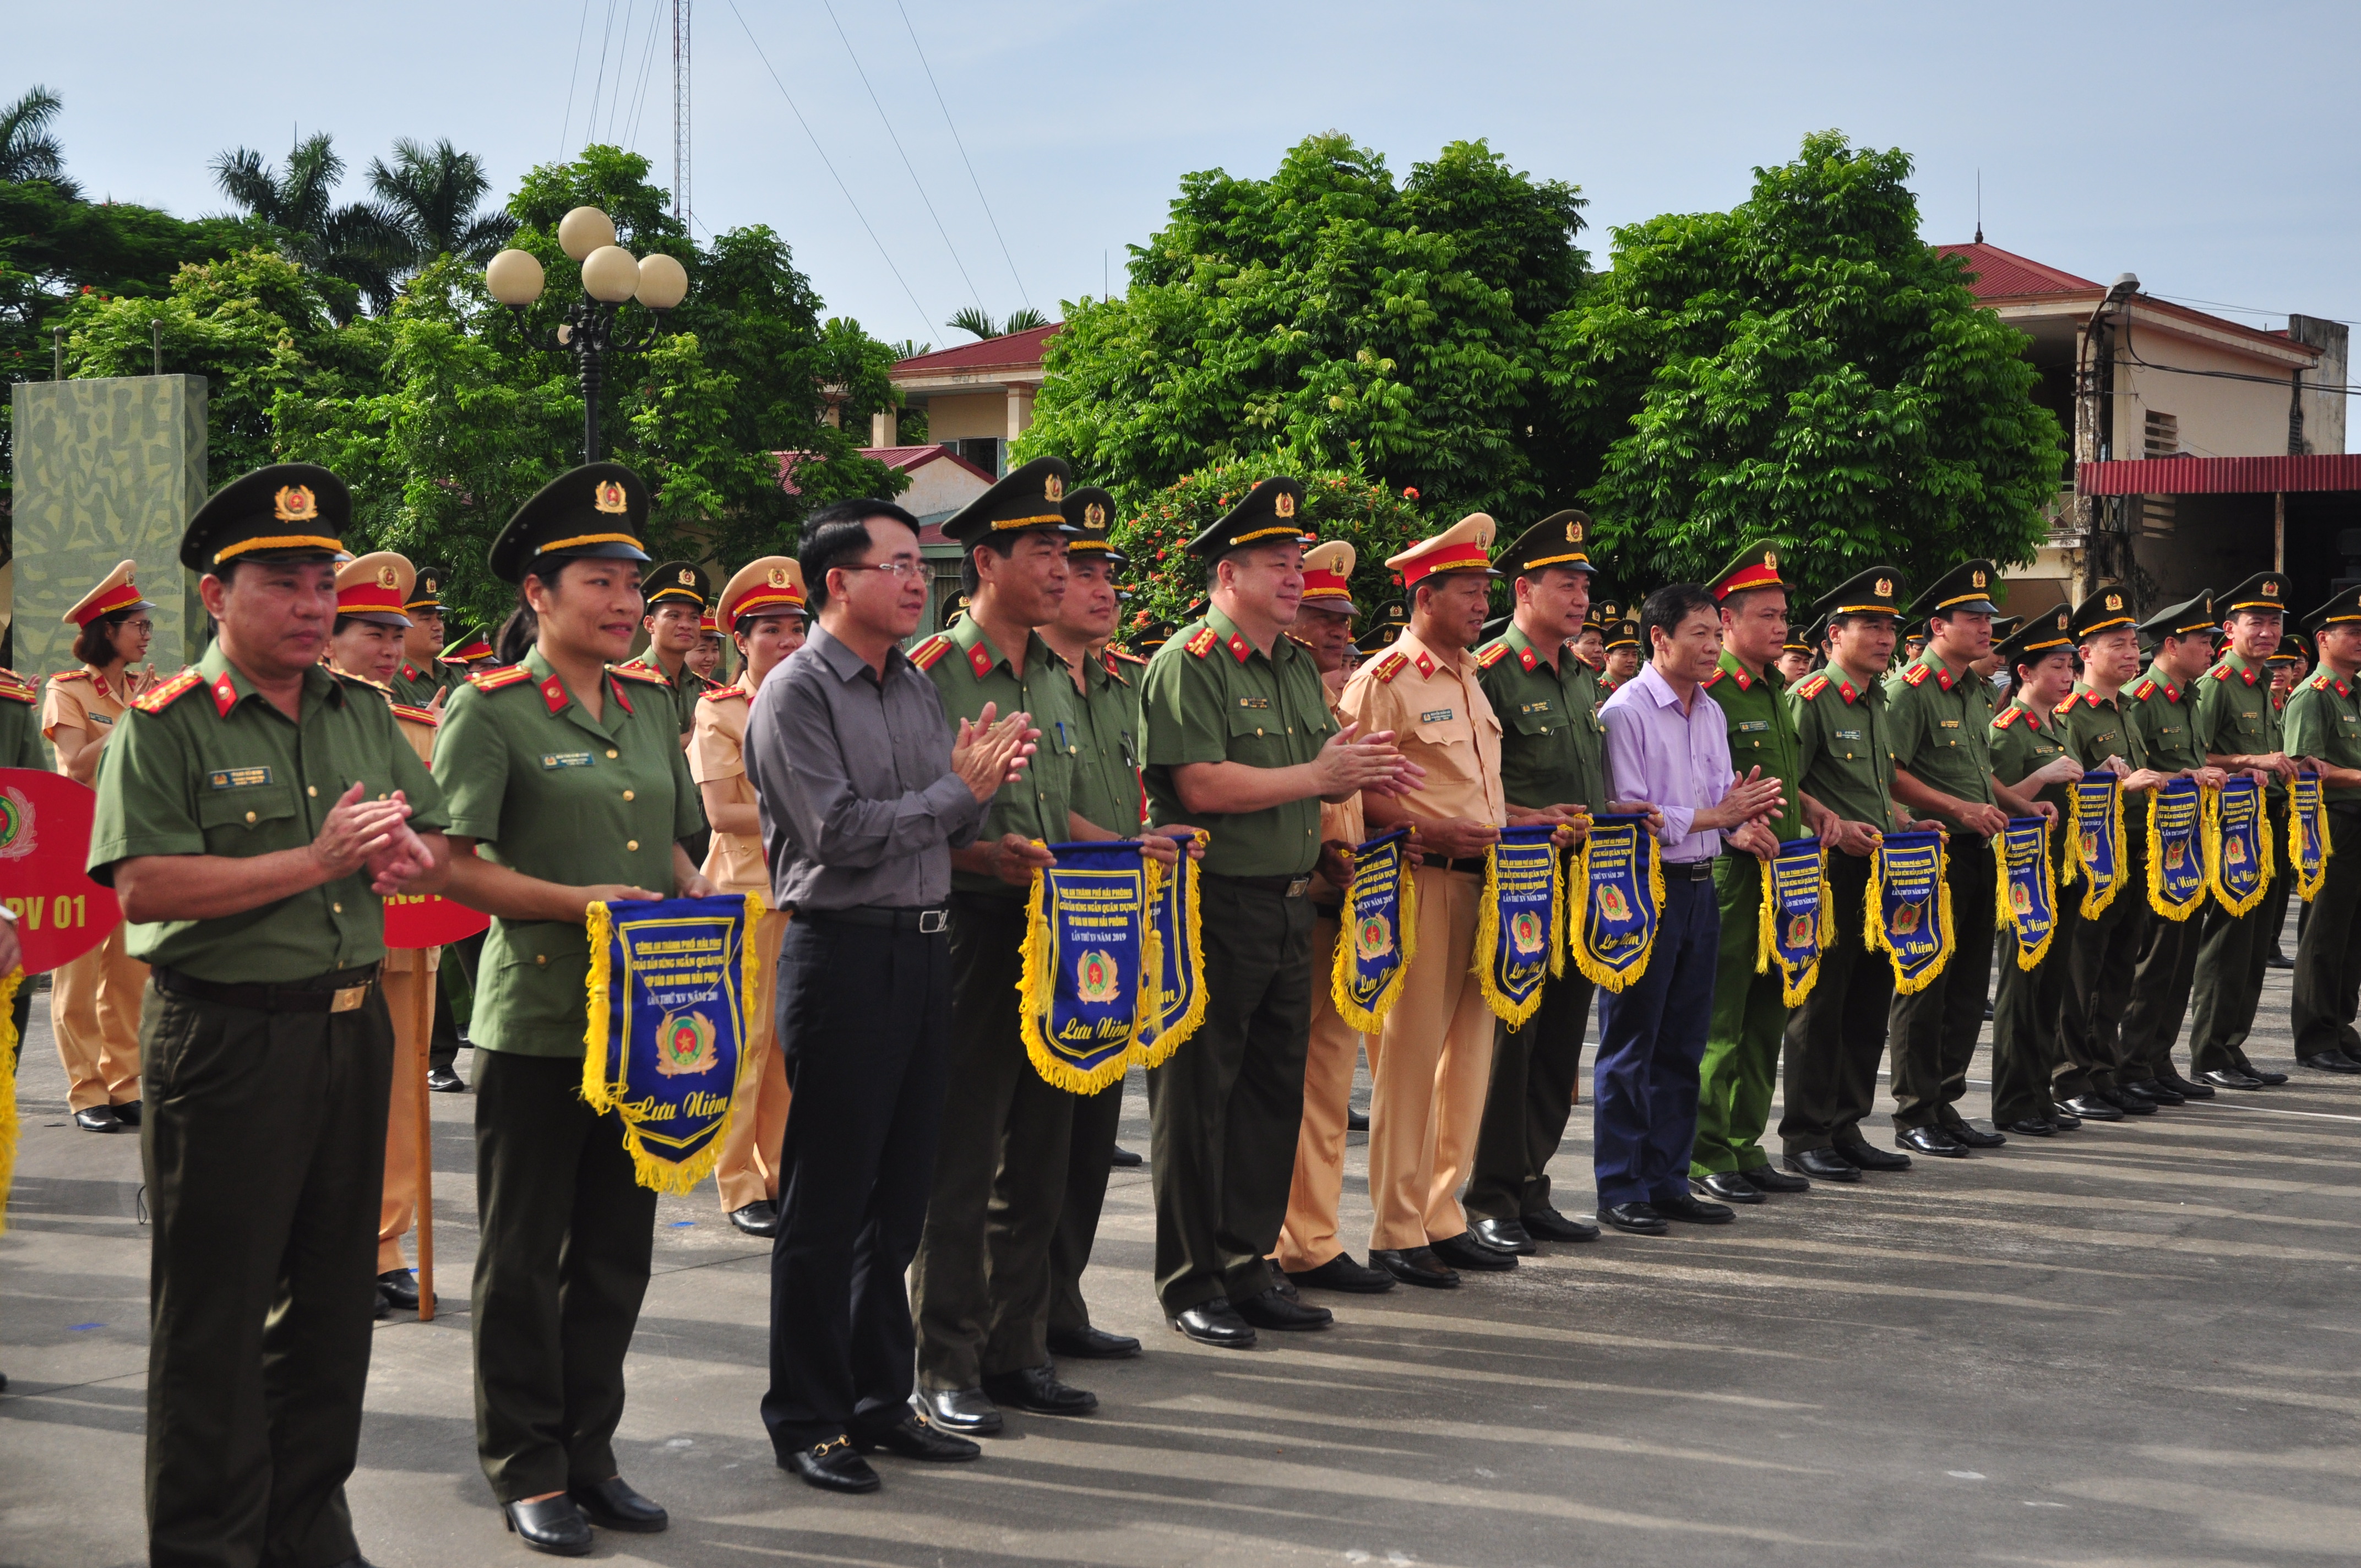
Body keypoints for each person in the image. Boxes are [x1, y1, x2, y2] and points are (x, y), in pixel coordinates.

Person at [86, 463, 449, 1568]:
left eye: (320, 582)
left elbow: (424, 835)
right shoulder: (167, 725)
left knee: (335, 1312)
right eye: (282, 582)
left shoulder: (359, 710)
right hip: (225, 1038)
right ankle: (208, 1544)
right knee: (214, 1320)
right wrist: (317, 858)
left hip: (349, 1028)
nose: (312, 604)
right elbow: (144, 885)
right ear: (216, 595)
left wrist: (405, 856)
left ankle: (305, 1528)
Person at [432, 463, 711, 1553]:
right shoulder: (488, 708)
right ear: (539, 596)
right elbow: (453, 866)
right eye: (598, 581)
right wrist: (574, 902)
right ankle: (526, 1461)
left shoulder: (650, 703)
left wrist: (697, 892)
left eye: (631, 584)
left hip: (647, 1021)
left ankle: (592, 1452)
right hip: (538, 1020)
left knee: (612, 1252)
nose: (624, 603)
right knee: (521, 1254)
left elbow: (679, 840)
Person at [746, 496, 1035, 1494]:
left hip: (923, 948)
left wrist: (981, 804)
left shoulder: (910, 686)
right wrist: (958, 794)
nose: (921, 580)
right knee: (826, 1207)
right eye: (901, 563)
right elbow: (840, 832)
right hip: (841, 954)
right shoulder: (795, 693)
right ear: (839, 581)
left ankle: (880, 1397)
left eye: (922, 564)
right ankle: (807, 1416)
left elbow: (929, 828)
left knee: (899, 1199)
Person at [1140, 477, 1414, 1346]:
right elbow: (1200, 785)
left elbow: (1312, 775)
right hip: (1214, 906)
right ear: (1229, 574)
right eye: (1278, 563)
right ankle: (1191, 1280)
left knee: (1270, 1098)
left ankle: (1247, 1263)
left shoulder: (1297, 665)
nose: (1297, 577)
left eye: (1298, 562)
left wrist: (1331, 814)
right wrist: (1320, 780)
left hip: (1296, 901)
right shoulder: (1190, 662)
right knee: (1199, 1100)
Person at [904, 457, 1117, 1434]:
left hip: (1061, 922)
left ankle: (1017, 1344)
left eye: (1066, 552)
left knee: (1044, 1148)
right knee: (963, 1154)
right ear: (984, 560)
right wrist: (988, 854)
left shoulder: (1053, 673)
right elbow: (911, 823)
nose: (1062, 569)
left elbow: (1052, 803)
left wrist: (1112, 848)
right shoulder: (931, 677)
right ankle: (942, 1358)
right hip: (972, 927)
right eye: (1043, 550)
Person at [1347, 513, 1587, 1283]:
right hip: (1422, 887)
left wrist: (1523, 819)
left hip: (1489, 887)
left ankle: (1443, 1214)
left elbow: (1476, 797)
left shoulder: (1468, 679)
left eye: (1485, 590)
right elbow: (1357, 795)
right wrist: (1433, 832)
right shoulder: (1383, 681)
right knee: (1410, 1066)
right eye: (1467, 591)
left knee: (1468, 1068)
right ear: (1424, 598)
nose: (1481, 604)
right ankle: (1394, 1227)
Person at [1593, 583, 1785, 1234]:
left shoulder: (1708, 711)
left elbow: (1718, 801)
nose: (1711, 647)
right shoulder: (1626, 712)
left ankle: (1668, 1178)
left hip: (1703, 885)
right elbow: (1630, 814)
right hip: (1643, 889)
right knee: (1631, 1044)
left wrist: (1740, 826)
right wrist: (1716, 816)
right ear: (1659, 638)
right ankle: (1621, 1184)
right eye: (1699, 634)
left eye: (1714, 633)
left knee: (1684, 1042)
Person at [1461, 512, 1615, 1251]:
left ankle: (1531, 1182)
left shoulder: (1583, 677)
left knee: (1560, 1040)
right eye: (1566, 582)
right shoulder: (1488, 671)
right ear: (1524, 590)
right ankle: (1488, 1193)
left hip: (1583, 877)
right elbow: (1471, 786)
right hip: (1515, 879)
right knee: (1509, 1043)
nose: (1580, 596)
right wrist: (1527, 816)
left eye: (1585, 584)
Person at [1037, 486, 1168, 1353]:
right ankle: (1012, 1319)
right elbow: (1028, 804)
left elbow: (1136, 791)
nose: (1101, 589)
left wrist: (1144, 842)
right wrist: (1126, 845)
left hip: (1113, 927)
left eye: (1107, 574)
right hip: (1041, 924)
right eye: (1081, 573)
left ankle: (1064, 1303)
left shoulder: (1120, 682)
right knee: (1032, 1147)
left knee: (1090, 1136)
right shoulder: (1023, 678)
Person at [1884, 560, 2053, 1155]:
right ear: (1938, 625)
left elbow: (1979, 775)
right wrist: (1958, 810)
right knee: (1924, 981)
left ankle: (1945, 1100)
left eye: (1989, 619)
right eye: (1974, 618)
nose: (1987, 629)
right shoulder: (1909, 691)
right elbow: (1892, 774)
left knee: (1964, 986)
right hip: (1932, 852)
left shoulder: (1977, 690)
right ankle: (1913, 1111)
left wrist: (2015, 803)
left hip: (1979, 847)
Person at [1779, 569, 1933, 1180]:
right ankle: (1806, 1133)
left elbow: (1875, 783)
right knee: (1821, 1005)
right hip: (1830, 870)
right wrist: (1835, 824)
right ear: (1831, 635)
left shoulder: (1877, 699)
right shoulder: (1811, 698)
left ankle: (1847, 1124)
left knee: (1868, 1003)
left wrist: (1900, 819)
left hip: (1884, 865)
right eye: (1869, 625)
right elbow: (1789, 783)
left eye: (1890, 626)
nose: (1884, 636)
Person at [1691, 545, 1832, 1206]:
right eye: (1768, 616)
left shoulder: (1777, 687)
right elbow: (1694, 789)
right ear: (1727, 620)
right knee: (1722, 1014)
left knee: (1770, 1011)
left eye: (1784, 616)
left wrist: (1816, 809)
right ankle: (1707, 1150)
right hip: (1731, 873)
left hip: (1787, 872)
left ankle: (1747, 1145)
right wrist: (1727, 828)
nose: (1782, 628)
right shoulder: (1710, 687)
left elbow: (1779, 778)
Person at [323, 550, 444, 1314]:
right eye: (373, 631)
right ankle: (332, 1252)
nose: (392, 647)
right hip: (329, 939)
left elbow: (437, 813)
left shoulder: (407, 719)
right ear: (328, 635)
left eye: (397, 633)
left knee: (402, 1096)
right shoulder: (301, 720)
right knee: (331, 1103)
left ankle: (384, 1247)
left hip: (410, 928)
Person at [1272, 537, 1392, 1292]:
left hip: (1347, 910)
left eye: (1345, 618)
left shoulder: (1332, 700)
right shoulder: (1283, 700)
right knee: (1278, 1087)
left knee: (1327, 1082)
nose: (1340, 631)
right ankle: (1270, 1241)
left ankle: (1311, 1238)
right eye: (1322, 616)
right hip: (1291, 903)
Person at [2053, 587, 2204, 1118]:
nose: (2130, 654)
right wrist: (2121, 786)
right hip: (2092, 853)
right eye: (2116, 644)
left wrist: (2172, 776)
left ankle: (2103, 1067)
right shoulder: (2071, 713)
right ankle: (2070, 1074)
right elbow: (2064, 787)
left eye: (2131, 645)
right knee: (2082, 968)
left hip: (2136, 848)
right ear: (2085, 653)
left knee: (2119, 965)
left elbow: (2140, 775)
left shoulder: (2128, 710)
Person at [694, 557, 807, 1240]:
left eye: (797, 627)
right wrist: (812, 807)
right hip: (746, 892)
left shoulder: (818, 700)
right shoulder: (721, 710)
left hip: (807, 889)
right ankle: (736, 1181)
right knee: (744, 1044)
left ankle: (783, 1171)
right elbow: (723, 814)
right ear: (741, 639)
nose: (787, 641)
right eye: (770, 629)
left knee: (790, 1047)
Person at [45, 559, 159, 1133]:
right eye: (137, 624)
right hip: (77, 846)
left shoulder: (149, 688)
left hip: (130, 845)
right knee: (80, 978)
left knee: (131, 973)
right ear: (106, 630)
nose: (146, 635)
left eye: (148, 625)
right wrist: (133, 720)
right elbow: (74, 766)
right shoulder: (65, 691)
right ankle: (86, 1090)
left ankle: (124, 1084)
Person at [2189, 573, 2298, 1091]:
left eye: (2275, 622)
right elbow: (2198, 755)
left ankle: (2233, 1046)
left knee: (2257, 946)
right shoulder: (2217, 686)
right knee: (2228, 943)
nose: (2268, 632)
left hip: (2270, 823)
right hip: (2232, 828)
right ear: (2229, 629)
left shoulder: (2263, 685)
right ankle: (2210, 1050)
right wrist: (2250, 759)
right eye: (2256, 621)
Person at [1983, 609, 2088, 1134]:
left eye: (2071, 664)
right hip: (2024, 872)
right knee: (2022, 986)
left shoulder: (2061, 722)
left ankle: (2040, 1092)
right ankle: (2013, 1099)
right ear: (2024, 672)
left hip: (2065, 865)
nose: (2067, 674)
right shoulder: (2008, 731)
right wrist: (2040, 778)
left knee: (2051, 987)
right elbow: (1997, 806)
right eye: (2056, 664)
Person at [2118, 594, 2224, 1099]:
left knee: (2180, 959)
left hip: (2189, 841)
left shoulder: (2192, 696)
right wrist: (2180, 775)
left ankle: (2159, 1057)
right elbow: (2126, 774)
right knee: (2155, 958)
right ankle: (2133, 1062)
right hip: (2151, 845)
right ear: (2171, 643)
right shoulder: (2140, 698)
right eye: (2203, 640)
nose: (2212, 648)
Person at [2287, 586, 2361, 1071]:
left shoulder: (2352, 694)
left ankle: (2338, 1024)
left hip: (2357, 818)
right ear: (2323, 640)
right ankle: (2316, 1036)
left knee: (2352, 932)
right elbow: (2305, 765)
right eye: (2352, 632)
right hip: (2333, 821)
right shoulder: (2312, 696)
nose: (2360, 640)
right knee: (2324, 930)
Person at [624, 560, 717, 739]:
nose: (685, 625)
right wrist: (684, 742)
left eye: (694, 617)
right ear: (650, 624)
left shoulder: (703, 687)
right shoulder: (625, 682)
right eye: (673, 616)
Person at [390, 562, 456, 707]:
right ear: (400, 626)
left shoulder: (455, 675)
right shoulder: (391, 681)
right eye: (426, 619)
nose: (438, 626)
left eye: (440, 618)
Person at [1601, 613, 1641, 690]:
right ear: (1608, 658)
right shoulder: (1597, 690)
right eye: (1625, 654)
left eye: (1634, 655)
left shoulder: (1635, 690)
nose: (1631, 660)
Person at [687, 609, 727, 683]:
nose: (710, 659)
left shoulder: (716, 691)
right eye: (702, 650)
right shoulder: (664, 690)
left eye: (715, 650)